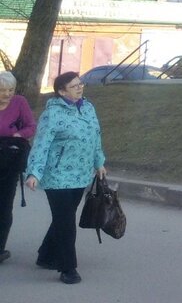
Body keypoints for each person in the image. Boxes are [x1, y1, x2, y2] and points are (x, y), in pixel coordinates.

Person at [25, 71, 106, 285]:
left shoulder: (88, 108)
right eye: (74, 86)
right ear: (62, 92)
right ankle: (68, 267)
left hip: (81, 174)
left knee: (64, 216)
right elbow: (41, 144)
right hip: (57, 175)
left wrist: (99, 162)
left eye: (80, 84)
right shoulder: (52, 114)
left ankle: (45, 255)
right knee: (66, 221)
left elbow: (95, 136)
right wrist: (34, 172)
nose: (80, 88)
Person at [0, 70, 36, 264]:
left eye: (11, 90)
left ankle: (0, 248)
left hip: (10, 160)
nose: (7, 94)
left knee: (4, 206)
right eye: (2, 90)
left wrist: (18, 135)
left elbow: (30, 126)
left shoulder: (19, 102)